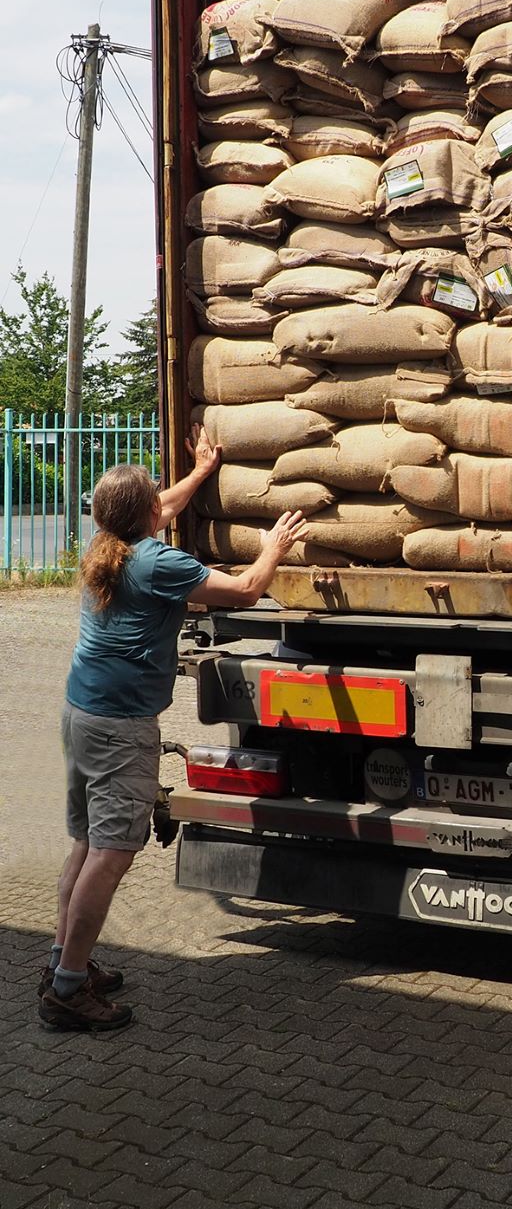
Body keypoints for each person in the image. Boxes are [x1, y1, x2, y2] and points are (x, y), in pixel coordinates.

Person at [39, 427, 307, 1032]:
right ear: (146, 515)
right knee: (111, 856)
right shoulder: (157, 561)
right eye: (157, 497)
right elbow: (244, 590)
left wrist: (203, 469)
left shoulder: (106, 545)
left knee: (84, 846)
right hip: (120, 730)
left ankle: (64, 961)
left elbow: (164, 506)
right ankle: (67, 989)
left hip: (80, 715)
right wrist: (275, 544)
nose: (166, 502)